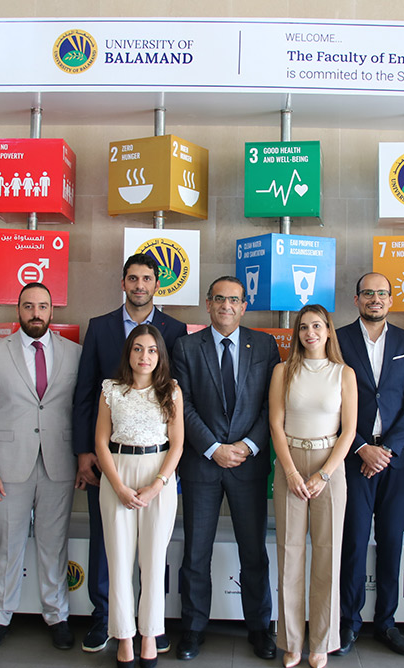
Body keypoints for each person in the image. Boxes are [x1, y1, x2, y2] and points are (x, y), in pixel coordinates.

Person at [73, 253, 187, 653]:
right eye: (133, 278)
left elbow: (175, 404)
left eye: (147, 278)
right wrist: (84, 453)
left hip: (157, 461)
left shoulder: (175, 330)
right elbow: (85, 391)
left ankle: (150, 628)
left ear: (157, 283)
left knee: (153, 556)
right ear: (123, 283)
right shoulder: (100, 327)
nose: (140, 285)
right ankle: (106, 620)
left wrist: (162, 479)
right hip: (112, 460)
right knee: (110, 548)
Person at [172, 276, 280, 662]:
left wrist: (248, 445)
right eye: (219, 299)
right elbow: (181, 404)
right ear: (208, 304)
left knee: (254, 551)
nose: (226, 306)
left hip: (248, 464)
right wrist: (213, 448)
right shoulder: (186, 346)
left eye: (234, 300)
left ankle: (259, 627)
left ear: (244, 305)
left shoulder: (264, 345)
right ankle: (193, 628)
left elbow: (272, 404)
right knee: (195, 551)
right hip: (202, 464)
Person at [0, 282, 81, 652]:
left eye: (43, 306)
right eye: (29, 306)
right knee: (8, 544)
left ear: (52, 310)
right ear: (18, 310)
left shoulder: (75, 353)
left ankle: (57, 615)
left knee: (54, 544)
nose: (36, 313)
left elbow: (82, 410)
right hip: (7, 468)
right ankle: (0, 616)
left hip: (58, 465)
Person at [334, 272, 404, 657]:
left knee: (391, 541)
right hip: (352, 458)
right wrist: (360, 447)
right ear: (356, 299)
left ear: (391, 300)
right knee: (353, 542)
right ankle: (349, 622)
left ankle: (387, 622)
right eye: (368, 293)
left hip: (394, 460)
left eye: (382, 293)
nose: (375, 299)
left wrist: (386, 449)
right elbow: (330, 400)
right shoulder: (337, 339)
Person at [269, 305, 358, 668]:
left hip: (329, 465)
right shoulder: (283, 370)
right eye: (304, 327)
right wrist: (290, 472)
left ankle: (322, 641)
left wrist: (324, 474)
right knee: (289, 554)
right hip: (290, 461)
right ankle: (292, 641)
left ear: (328, 330)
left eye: (317, 326)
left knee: (328, 554)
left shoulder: (344, 373)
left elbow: (349, 431)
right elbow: (275, 424)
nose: (310, 333)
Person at [95, 325, 184, 668]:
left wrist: (158, 485)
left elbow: (177, 444)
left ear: (160, 355)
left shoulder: (171, 391)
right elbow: (101, 442)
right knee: (118, 562)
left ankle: (149, 635)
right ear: (128, 353)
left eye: (151, 350)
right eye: (137, 349)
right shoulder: (111, 389)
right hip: (118, 474)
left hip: (157, 476)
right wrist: (118, 486)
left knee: (153, 562)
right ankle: (123, 637)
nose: (144, 356)